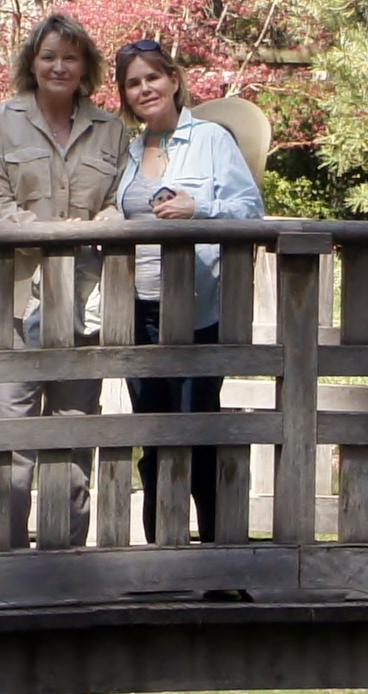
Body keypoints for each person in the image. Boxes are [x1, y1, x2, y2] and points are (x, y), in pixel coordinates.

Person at [0, 12, 128, 548]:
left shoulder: (111, 129)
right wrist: (61, 232)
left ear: (86, 66)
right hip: (14, 304)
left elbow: (119, 205)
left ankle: (63, 562)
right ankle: (2, 562)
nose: (59, 66)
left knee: (73, 436)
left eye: (71, 56)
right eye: (49, 56)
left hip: (85, 305)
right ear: (31, 64)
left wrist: (105, 223)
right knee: (9, 439)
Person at [111, 37, 264, 543]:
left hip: (199, 312)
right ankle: (162, 554)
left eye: (152, 77)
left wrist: (199, 211)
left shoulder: (212, 140)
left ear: (174, 80)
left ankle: (220, 557)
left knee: (199, 433)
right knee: (151, 437)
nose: (144, 89)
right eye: (133, 83)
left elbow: (250, 212)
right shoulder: (131, 150)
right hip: (141, 311)